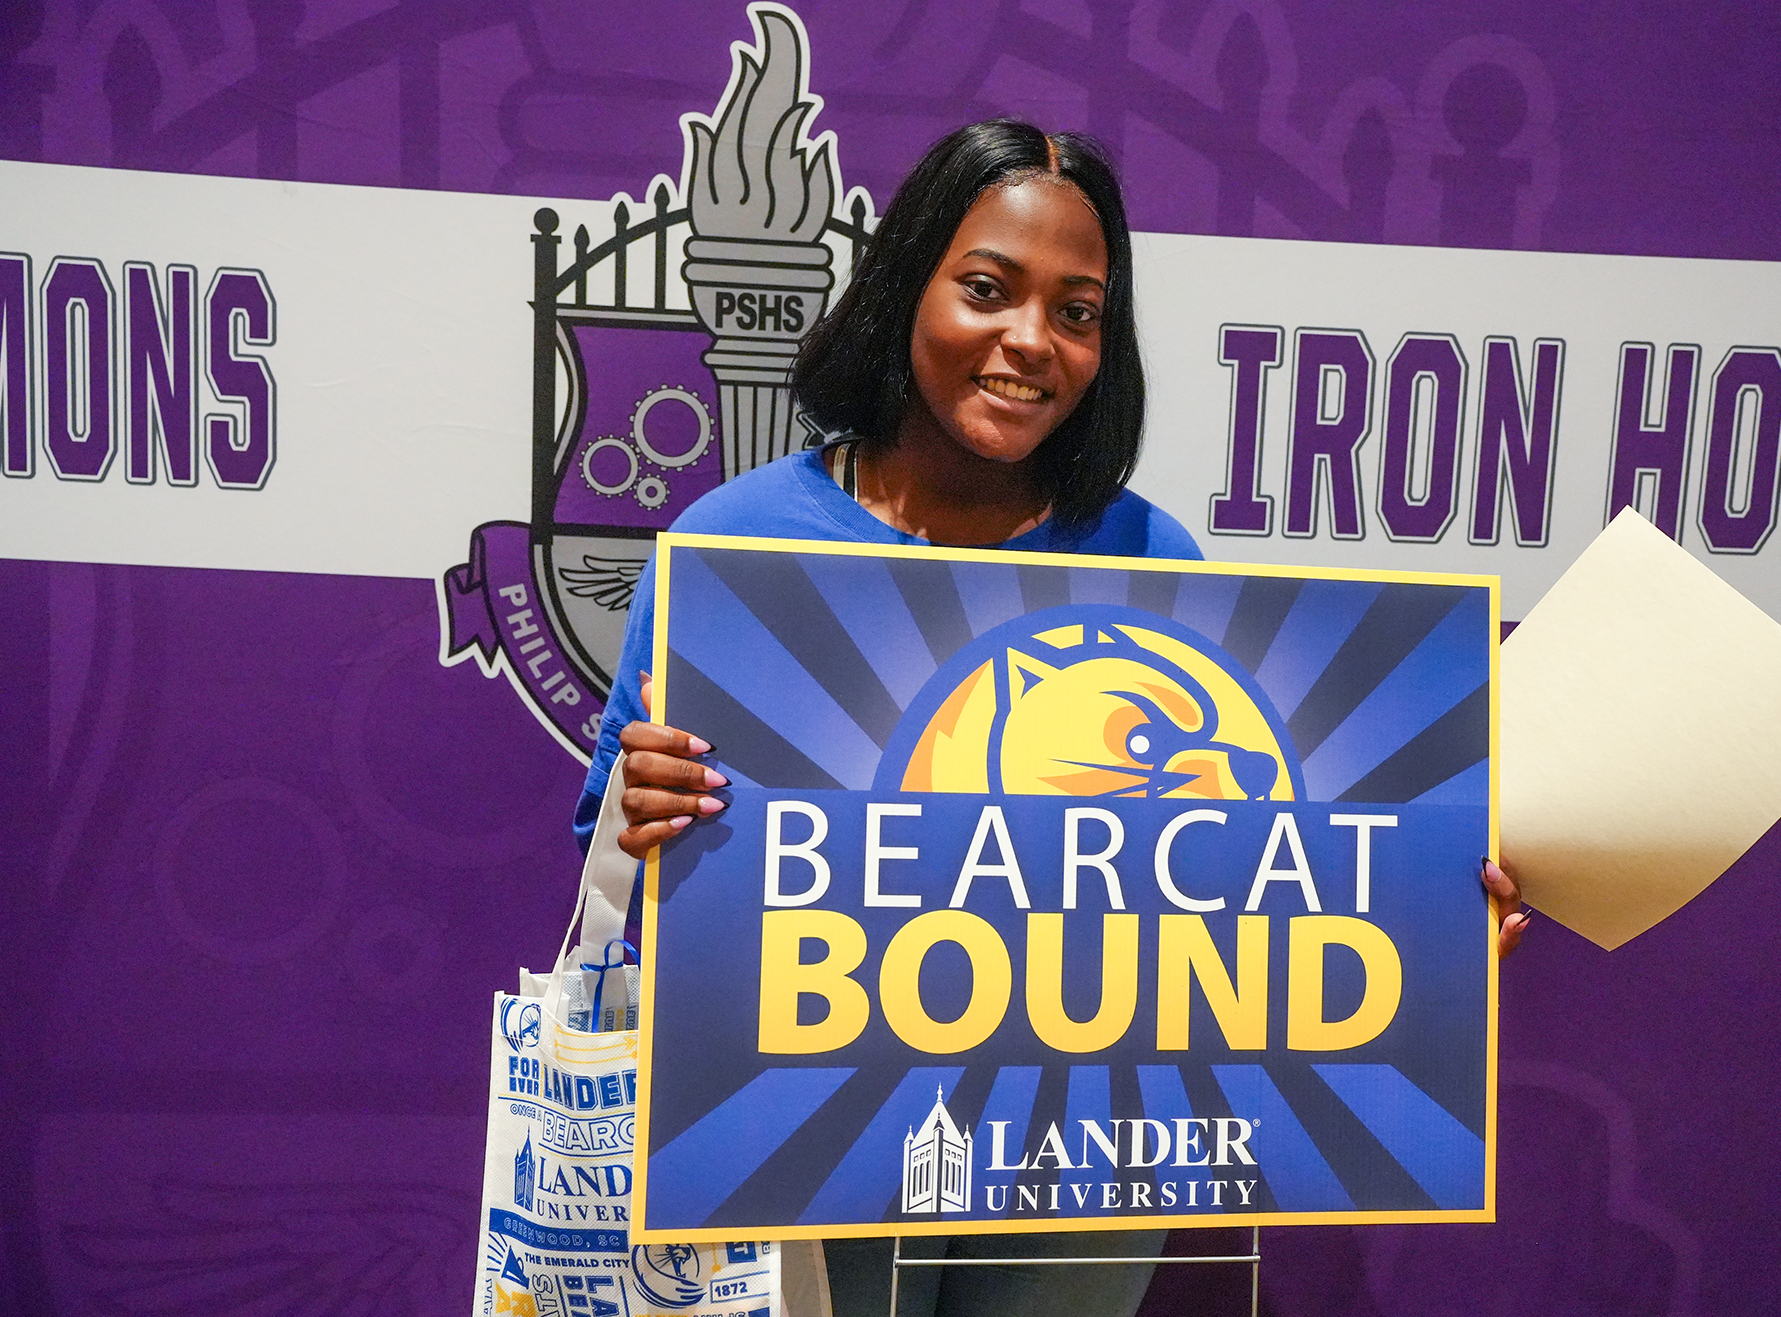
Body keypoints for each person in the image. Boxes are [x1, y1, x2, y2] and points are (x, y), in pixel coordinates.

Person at [576, 118, 1529, 1317]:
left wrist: (1421, 922)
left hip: (1089, 1142)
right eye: (988, 290)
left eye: (1077, 312)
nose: (1032, 341)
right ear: (903, 285)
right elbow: (606, 861)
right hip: (810, 1117)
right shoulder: (735, 544)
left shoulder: (1153, 563)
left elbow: (1249, 860)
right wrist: (643, 804)